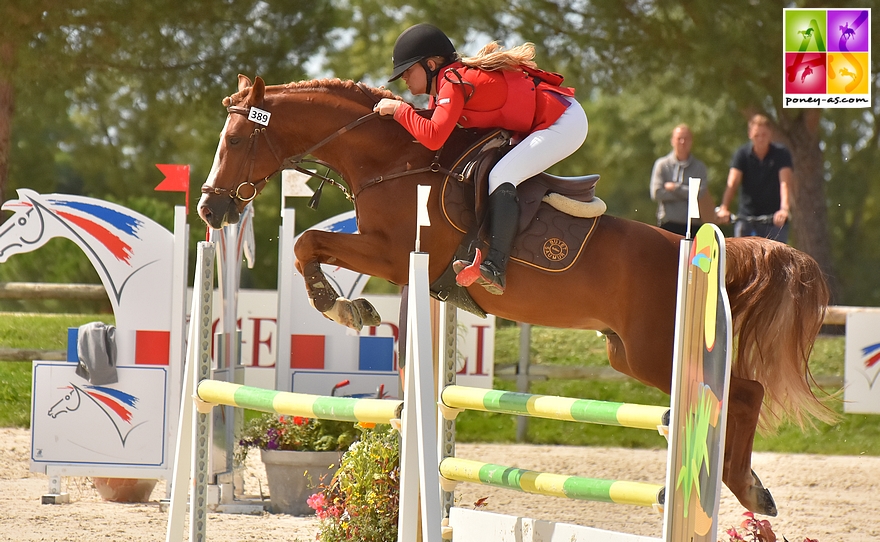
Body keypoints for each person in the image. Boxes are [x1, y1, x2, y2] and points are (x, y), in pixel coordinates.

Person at [373, 23, 588, 295]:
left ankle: (496, 266)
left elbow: (434, 137)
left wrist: (400, 111)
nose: (403, 77)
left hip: (564, 121)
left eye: (407, 70)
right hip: (542, 124)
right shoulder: (444, 87)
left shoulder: (452, 82)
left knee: (501, 175)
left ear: (430, 64)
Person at [716, 114, 793, 243]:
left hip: (773, 219)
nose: (761, 139)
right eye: (757, 135)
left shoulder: (781, 154)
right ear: (750, 134)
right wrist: (724, 207)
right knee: (741, 259)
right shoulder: (742, 154)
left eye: (764, 135)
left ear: (770, 134)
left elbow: (785, 183)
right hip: (747, 217)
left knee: (775, 260)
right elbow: (733, 182)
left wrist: (784, 209)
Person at [649, 124, 711, 236]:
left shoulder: (699, 167)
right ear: (672, 141)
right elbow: (657, 193)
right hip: (667, 224)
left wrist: (675, 188)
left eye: (686, 138)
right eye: (679, 138)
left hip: (693, 225)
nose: (682, 142)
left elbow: (700, 193)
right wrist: (689, 193)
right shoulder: (662, 165)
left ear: (691, 141)